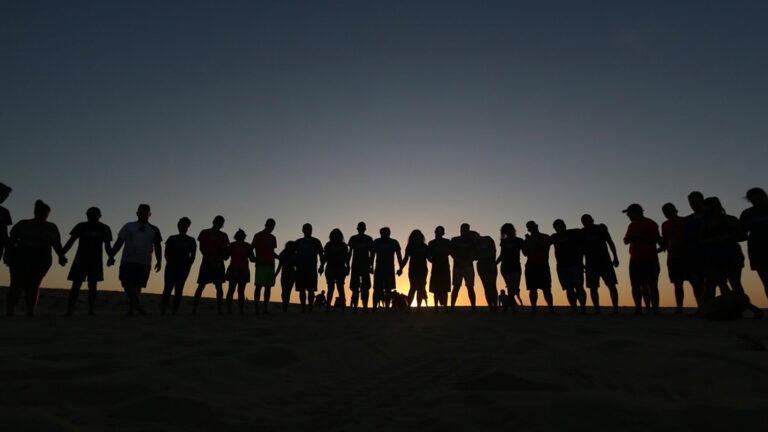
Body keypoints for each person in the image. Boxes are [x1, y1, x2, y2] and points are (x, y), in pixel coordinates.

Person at [5, 200, 67, 316]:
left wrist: (61, 256)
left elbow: (56, 244)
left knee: (34, 285)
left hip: (41, 259)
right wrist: (7, 255)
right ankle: (10, 310)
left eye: (45, 214)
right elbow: (11, 241)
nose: (42, 216)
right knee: (16, 285)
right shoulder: (23, 224)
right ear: (35, 212)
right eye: (40, 213)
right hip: (21, 257)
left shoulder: (51, 227)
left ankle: (30, 311)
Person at [109, 204, 162, 316]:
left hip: (144, 262)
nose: (143, 215)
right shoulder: (129, 226)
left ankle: (131, 310)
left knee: (137, 286)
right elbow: (119, 242)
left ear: (149, 214)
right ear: (137, 213)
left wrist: (159, 261)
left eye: (146, 213)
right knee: (126, 282)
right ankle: (139, 308)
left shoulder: (154, 229)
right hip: (128, 261)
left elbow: (158, 246)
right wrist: (111, 255)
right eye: (141, 212)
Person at [62, 207, 113, 316]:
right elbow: (71, 241)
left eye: (94, 215)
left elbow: (107, 246)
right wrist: (62, 254)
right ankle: (70, 309)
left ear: (99, 216)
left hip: (95, 260)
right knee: (76, 284)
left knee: (92, 285)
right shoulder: (81, 226)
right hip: (81, 259)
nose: (92, 218)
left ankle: (90, 310)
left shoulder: (104, 228)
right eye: (90, 215)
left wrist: (111, 257)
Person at [700, 197, 747, 301]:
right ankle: (708, 309)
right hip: (712, 257)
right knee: (711, 285)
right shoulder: (705, 224)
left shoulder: (731, 219)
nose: (709, 212)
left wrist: (724, 238)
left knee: (735, 284)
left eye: (711, 209)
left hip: (731, 255)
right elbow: (701, 240)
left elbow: (743, 236)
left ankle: (741, 308)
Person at [623, 204, 662, 315]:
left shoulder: (651, 223)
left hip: (649, 259)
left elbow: (656, 239)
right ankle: (638, 308)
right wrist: (631, 237)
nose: (628, 216)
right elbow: (625, 240)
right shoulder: (631, 225)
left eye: (629, 213)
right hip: (635, 258)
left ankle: (655, 309)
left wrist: (640, 235)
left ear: (636, 213)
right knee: (635, 285)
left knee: (652, 285)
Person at [580, 214, 620, 314]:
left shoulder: (601, 229)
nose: (586, 223)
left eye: (587, 220)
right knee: (593, 287)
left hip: (605, 261)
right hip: (590, 263)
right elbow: (580, 250)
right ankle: (597, 309)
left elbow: (610, 242)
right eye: (584, 221)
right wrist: (581, 263)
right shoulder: (582, 232)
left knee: (611, 285)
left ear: (592, 220)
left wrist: (615, 257)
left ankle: (615, 309)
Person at [660, 203, 695, 313]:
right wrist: (660, 248)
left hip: (687, 256)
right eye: (665, 212)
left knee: (695, 282)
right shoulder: (665, 225)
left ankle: (702, 306)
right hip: (673, 257)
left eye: (669, 211)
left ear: (675, 210)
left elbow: (693, 237)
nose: (667, 214)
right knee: (677, 283)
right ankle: (679, 308)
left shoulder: (685, 221)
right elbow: (665, 241)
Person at [193, 216, 229, 314]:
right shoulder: (205, 232)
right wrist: (210, 259)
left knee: (219, 286)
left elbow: (226, 250)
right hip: (207, 262)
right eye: (218, 222)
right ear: (213, 222)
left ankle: (219, 309)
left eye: (221, 222)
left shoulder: (224, 235)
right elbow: (202, 248)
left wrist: (224, 256)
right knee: (201, 285)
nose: (219, 224)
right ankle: (194, 308)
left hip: (219, 263)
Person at [161, 217, 196, 315]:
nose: (182, 227)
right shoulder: (172, 238)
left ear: (188, 227)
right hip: (171, 266)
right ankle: (163, 309)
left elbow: (193, 255)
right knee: (168, 287)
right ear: (178, 226)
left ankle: (174, 310)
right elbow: (166, 253)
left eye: (185, 225)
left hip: (183, 267)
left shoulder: (191, 240)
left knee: (179, 288)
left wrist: (188, 265)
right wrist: (170, 262)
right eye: (181, 225)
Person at [551, 219, 586, 313]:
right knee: (568, 288)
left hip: (575, 264)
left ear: (565, 225)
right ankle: (574, 308)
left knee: (579, 287)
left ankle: (583, 307)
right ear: (554, 228)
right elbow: (545, 243)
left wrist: (601, 226)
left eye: (561, 225)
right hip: (562, 266)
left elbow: (585, 231)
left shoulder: (574, 232)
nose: (559, 228)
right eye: (557, 227)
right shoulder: (554, 237)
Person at [740, 187, 768, 302]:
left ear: (764, 196)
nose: (756, 201)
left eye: (758, 198)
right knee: (766, 280)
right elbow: (741, 234)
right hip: (757, 249)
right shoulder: (747, 213)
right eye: (752, 199)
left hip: (758, 248)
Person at [681, 191, 706, 307]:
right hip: (693, 255)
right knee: (696, 283)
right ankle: (701, 307)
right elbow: (685, 238)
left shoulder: (710, 217)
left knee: (718, 282)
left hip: (712, 254)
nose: (694, 205)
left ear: (702, 201)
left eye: (696, 202)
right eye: (691, 203)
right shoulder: (687, 220)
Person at [522, 221, 553, 313]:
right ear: (529, 229)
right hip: (531, 265)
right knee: (532, 289)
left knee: (546, 289)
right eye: (530, 228)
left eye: (533, 227)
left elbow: (545, 248)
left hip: (543, 265)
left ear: (536, 227)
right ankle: (533, 308)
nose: (532, 229)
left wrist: (533, 240)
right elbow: (525, 253)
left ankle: (551, 308)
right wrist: (527, 242)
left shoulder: (545, 237)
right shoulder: (527, 240)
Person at [370, 227, 403, 311]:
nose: (384, 234)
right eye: (383, 232)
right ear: (380, 233)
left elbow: (399, 256)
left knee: (388, 289)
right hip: (379, 268)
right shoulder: (376, 242)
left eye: (386, 232)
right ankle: (374, 307)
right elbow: (372, 255)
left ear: (389, 233)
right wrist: (371, 266)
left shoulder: (394, 242)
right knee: (377, 289)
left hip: (389, 269)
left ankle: (387, 308)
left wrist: (401, 268)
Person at [295, 223, 324, 312]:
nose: (308, 230)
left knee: (311, 290)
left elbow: (321, 254)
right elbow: (292, 254)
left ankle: (310, 308)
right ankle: (303, 308)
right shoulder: (298, 242)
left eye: (309, 229)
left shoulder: (316, 241)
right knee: (301, 290)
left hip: (311, 269)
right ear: (303, 230)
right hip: (300, 269)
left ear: (311, 230)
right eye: (306, 229)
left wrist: (322, 266)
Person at [226, 229, 256, 314]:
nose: (242, 237)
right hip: (233, 269)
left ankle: (241, 310)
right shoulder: (232, 245)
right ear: (236, 237)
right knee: (231, 289)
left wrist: (259, 258)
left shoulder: (248, 246)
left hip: (243, 270)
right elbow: (226, 257)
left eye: (243, 236)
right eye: (240, 236)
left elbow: (252, 258)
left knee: (241, 290)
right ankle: (229, 310)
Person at [252, 218, 278, 313]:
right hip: (261, 265)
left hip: (270, 265)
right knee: (258, 286)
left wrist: (278, 257)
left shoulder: (273, 238)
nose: (271, 227)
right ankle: (256, 308)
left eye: (273, 226)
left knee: (268, 287)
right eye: (270, 225)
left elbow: (272, 251)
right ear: (266, 224)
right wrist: (255, 259)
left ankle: (265, 308)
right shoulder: (258, 236)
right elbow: (251, 248)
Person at [398, 229, 429, 310]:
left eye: (419, 235)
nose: (417, 236)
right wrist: (401, 268)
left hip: (423, 270)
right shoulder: (410, 246)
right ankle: (408, 306)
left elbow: (429, 257)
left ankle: (418, 307)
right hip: (413, 270)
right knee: (413, 288)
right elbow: (406, 258)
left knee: (421, 288)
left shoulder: (424, 246)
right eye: (416, 235)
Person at [450, 223, 478, 311]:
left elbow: (474, 253)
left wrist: (467, 262)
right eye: (463, 228)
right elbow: (452, 252)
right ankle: (452, 307)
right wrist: (460, 261)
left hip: (468, 266)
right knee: (456, 287)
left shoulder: (472, 241)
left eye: (466, 229)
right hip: (457, 266)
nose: (464, 230)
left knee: (470, 287)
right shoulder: (454, 240)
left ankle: (473, 307)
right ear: (460, 229)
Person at [496, 223, 523, 312]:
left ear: (513, 230)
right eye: (505, 230)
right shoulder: (504, 242)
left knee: (514, 288)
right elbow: (502, 255)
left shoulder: (519, 240)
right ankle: (512, 308)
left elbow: (525, 252)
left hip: (515, 267)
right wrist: (495, 263)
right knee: (510, 288)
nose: (508, 232)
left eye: (509, 229)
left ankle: (506, 307)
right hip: (505, 267)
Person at [321, 228, 349, 312]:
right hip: (331, 267)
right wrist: (322, 266)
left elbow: (346, 257)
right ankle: (328, 306)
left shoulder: (343, 245)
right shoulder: (328, 245)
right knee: (331, 288)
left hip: (340, 267)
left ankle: (342, 307)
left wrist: (348, 267)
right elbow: (325, 257)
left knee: (340, 287)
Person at [347, 222, 373, 312]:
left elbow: (372, 254)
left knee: (365, 288)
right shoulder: (353, 238)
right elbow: (350, 253)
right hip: (355, 266)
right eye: (360, 228)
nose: (361, 229)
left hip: (365, 266)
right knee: (355, 288)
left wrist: (370, 265)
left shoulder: (369, 239)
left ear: (364, 229)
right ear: (357, 229)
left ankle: (365, 307)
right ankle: (355, 307)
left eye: (362, 228)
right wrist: (347, 265)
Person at [427, 226, 451, 311]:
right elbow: (428, 256)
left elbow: (450, 252)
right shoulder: (431, 243)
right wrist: (434, 260)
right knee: (436, 289)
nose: (438, 233)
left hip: (444, 268)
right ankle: (436, 307)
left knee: (444, 289)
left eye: (440, 232)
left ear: (442, 233)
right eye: (438, 232)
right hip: (436, 268)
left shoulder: (447, 242)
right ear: (435, 232)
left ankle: (444, 307)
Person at [476, 235, 499, 311]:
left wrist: (493, 263)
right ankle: (491, 306)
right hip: (482, 264)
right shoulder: (475, 243)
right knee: (486, 286)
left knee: (492, 285)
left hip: (489, 263)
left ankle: (495, 306)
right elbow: (475, 256)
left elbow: (493, 252)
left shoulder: (488, 239)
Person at [274, 241, 296, 312]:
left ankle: (285, 307)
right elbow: (279, 266)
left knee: (288, 291)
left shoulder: (295, 254)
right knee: (284, 291)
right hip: (285, 274)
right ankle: (284, 305)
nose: (291, 247)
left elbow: (297, 265)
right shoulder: (284, 254)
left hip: (292, 274)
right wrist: (275, 275)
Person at [0, 183, 12, 267]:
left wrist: (8, 250)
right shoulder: (4, 212)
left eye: (6, 196)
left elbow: (4, 233)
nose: (4, 198)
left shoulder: (4, 212)